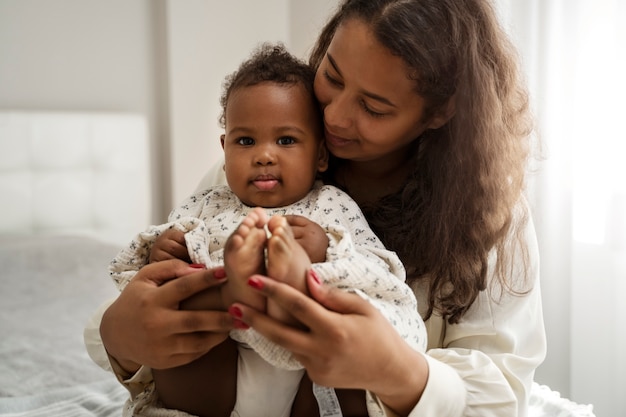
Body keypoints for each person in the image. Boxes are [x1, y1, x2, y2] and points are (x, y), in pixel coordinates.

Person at [86, 0, 547, 416]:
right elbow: (154, 293)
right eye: (332, 76)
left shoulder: (489, 214)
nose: (335, 117)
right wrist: (118, 338)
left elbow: (502, 394)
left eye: (374, 107)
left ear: (439, 111)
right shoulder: (248, 180)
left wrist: (400, 372)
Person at [102, 42, 425, 417]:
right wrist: (163, 250)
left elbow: (375, 270)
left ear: (320, 155)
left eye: (286, 140)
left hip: (307, 371)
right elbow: (151, 266)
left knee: (347, 320)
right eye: (246, 141)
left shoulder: (331, 205)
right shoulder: (208, 203)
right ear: (225, 151)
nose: (264, 154)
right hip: (219, 364)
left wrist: (325, 250)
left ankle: (281, 285)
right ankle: (237, 288)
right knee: (183, 297)